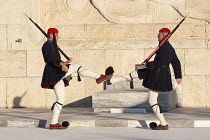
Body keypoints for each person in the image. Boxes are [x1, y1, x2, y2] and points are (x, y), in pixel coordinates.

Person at [106, 28, 182, 130]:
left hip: (157, 75)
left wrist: (148, 64)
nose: (157, 36)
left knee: (152, 100)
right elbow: (176, 62)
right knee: (135, 74)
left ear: (164, 36)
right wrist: (178, 76)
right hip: (155, 72)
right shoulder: (167, 47)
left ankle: (163, 124)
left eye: (159, 34)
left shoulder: (165, 48)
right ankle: (111, 81)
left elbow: (162, 62)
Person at [41, 28, 112, 129]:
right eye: (56, 35)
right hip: (53, 72)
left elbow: (53, 59)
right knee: (76, 67)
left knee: (60, 100)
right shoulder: (47, 45)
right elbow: (51, 57)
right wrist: (61, 63)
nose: (58, 37)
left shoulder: (52, 45)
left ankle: (53, 123)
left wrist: (64, 62)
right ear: (51, 35)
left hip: (56, 71)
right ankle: (98, 77)